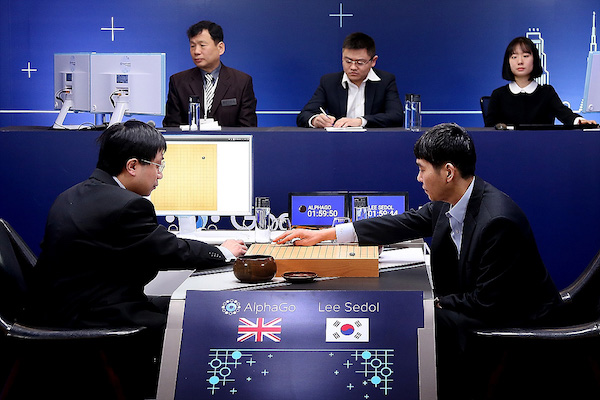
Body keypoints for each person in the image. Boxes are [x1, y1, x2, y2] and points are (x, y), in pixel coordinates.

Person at [274, 123, 561, 398]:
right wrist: (325, 234)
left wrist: (432, 304)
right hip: (482, 304)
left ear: (448, 172)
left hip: (515, 320)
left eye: (422, 170)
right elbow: (401, 224)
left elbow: (488, 303)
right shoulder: (451, 202)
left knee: (418, 318)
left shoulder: (497, 221)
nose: (418, 179)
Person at [25, 120, 247, 398]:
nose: (160, 175)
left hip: (62, 307)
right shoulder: (127, 205)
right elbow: (170, 250)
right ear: (132, 166)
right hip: (91, 315)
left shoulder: (72, 194)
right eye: (158, 165)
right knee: (197, 317)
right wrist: (224, 252)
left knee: (186, 305)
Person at [296, 32, 404, 128]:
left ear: (373, 61)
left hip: (374, 142)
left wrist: (360, 121)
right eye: (348, 61)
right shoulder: (329, 82)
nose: (353, 67)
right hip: (337, 142)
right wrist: (315, 120)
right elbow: (304, 115)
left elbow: (396, 116)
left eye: (360, 62)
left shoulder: (385, 81)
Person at [484, 36, 596, 127]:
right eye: (514, 57)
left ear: (535, 60)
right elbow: (489, 129)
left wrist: (579, 121)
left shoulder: (547, 92)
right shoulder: (498, 95)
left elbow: (566, 115)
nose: (520, 61)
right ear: (508, 62)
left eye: (525, 56)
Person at [163, 20, 257, 127]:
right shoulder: (178, 81)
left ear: (220, 48)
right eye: (192, 46)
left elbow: (248, 128)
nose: (196, 51)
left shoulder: (241, 82)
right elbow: (172, 127)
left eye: (202, 45)